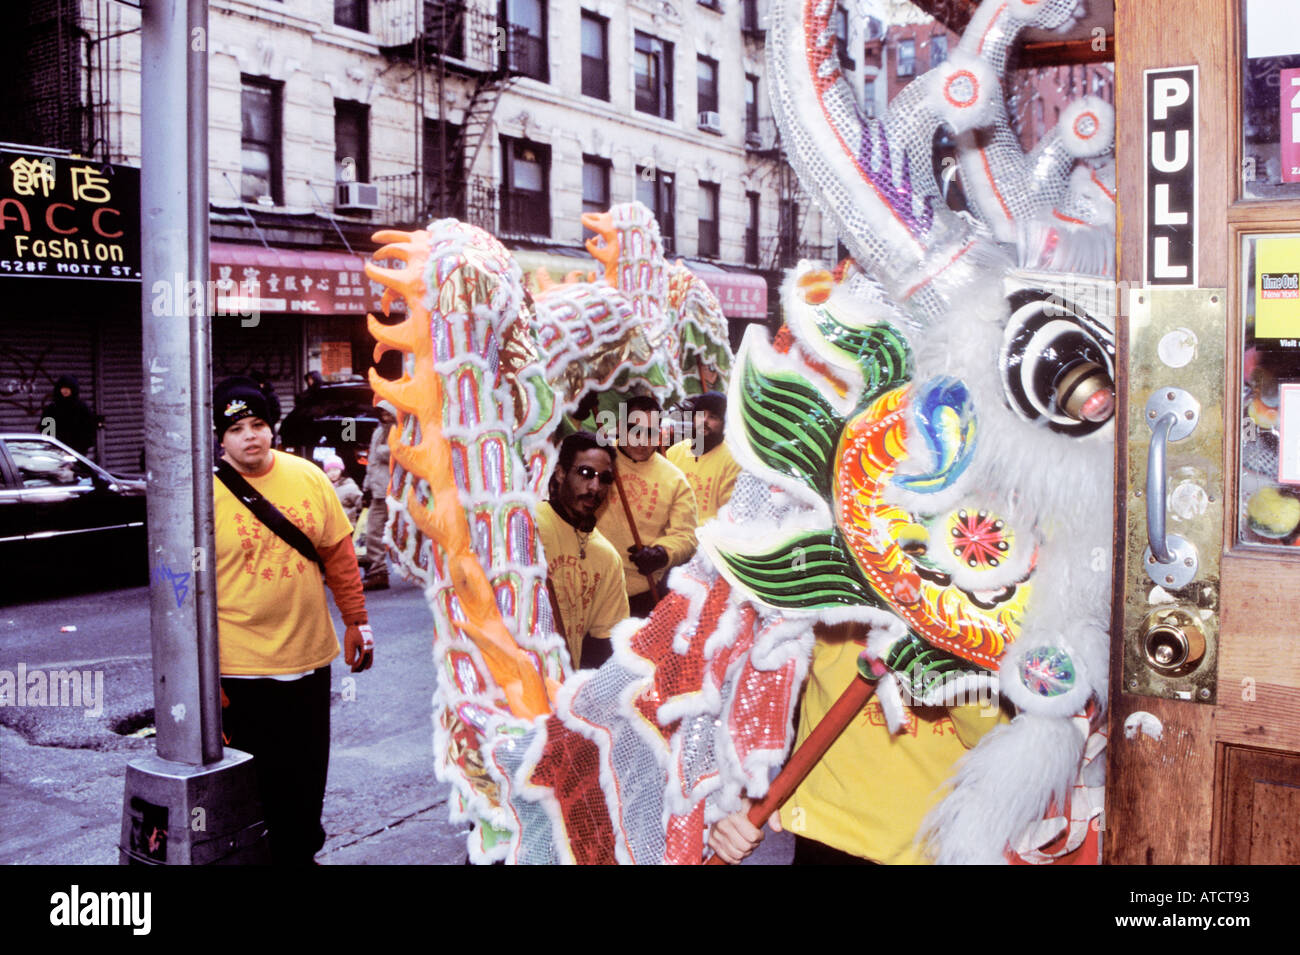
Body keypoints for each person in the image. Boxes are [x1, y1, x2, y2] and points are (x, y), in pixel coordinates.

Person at [211, 376, 374, 865]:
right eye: (236, 428)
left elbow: (339, 556)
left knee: (306, 777)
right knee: (252, 785)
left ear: (273, 427)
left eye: (258, 424)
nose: (250, 436)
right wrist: (201, 676)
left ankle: (301, 855)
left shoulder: (308, 477)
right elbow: (183, 592)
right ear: (221, 438)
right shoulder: (200, 496)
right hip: (239, 671)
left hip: (307, 661)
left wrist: (357, 622)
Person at [707, 621, 1005, 865]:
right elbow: (767, 699)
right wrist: (745, 787)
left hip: (923, 851)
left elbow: (994, 742)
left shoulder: (989, 628)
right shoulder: (833, 606)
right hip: (820, 833)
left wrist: (944, 662)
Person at [595, 394, 698, 617]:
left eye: (650, 432)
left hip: (640, 593)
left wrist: (661, 553)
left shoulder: (674, 479)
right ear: (620, 427)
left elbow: (686, 536)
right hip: (590, 588)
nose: (642, 440)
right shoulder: (597, 459)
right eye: (634, 430)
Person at [538, 432, 629, 670]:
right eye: (586, 473)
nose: (595, 487)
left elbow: (604, 644)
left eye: (605, 478)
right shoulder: (527, 526)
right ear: (560, 473)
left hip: (561, 688)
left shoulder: (607, 557)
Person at [665, 392, 742, 524]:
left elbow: (730, 514)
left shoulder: (732, 460)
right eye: (701, 414)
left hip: (707, 538)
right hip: (671, 536)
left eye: (713, 417)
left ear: (724, 423)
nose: (704, 421)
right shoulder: (673, 453)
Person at [361, 401, 397, 591]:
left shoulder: (399, 429)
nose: (384, 415)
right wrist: (367, 486)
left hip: (393, 488)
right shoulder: (379, 430)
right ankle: (378, 571)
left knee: (404, 531)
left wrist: (383, 449)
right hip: (378, 489)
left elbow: (398, 452)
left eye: (387, 411)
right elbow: (372, 462)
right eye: (381, 412)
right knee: (373, 530)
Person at [40, 375, 101, 456]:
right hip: (56, 453)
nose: (65, 391)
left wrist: (81, 447)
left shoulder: (82, 408)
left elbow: (89, 431)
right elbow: (46, 432)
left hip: (77, 453)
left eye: (68, 388)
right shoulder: (52, 408)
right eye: (63, 388)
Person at [323, 454, 363, 525]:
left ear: (341, 470)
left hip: (347, 526)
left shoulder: (350, 487)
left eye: (335, 469)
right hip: (329, 526)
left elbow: (361, 504)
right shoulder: (324, 487)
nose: (332, 473)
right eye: (329, 471)